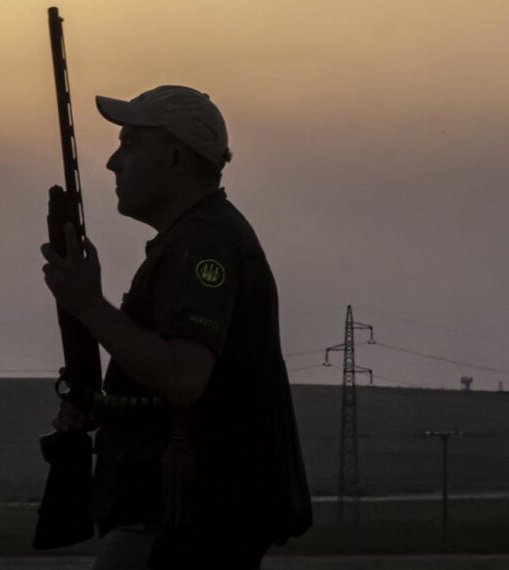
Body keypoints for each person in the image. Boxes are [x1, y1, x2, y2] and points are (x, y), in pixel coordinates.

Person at [40, 85, 312, 569]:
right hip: (181, 521)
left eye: (129, 144)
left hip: (185, 526)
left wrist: (87, 305)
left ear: (173, 156)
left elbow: (185, 377)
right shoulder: (192, 239)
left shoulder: (204, 242)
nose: (112, 163)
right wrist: (105, 406)